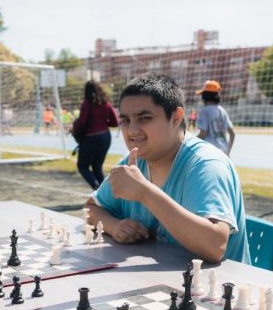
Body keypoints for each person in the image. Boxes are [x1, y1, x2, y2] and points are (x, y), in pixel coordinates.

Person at [85, 74, 250, 264]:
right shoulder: (134, 162)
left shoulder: (206, 165)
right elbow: (90, 208)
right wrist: (115, 226)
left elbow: (215, 246)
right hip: (156, 284)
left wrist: (145, 193)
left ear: (176, 117)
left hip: (214, 289)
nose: (132, 130)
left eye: (144, 118)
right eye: (125, 120)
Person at [71, 81, 119, 189]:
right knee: (97, 167)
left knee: (82, 166)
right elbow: (115, 123)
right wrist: (102, 123)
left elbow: (82, 122)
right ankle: (105, 193)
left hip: (91, 138)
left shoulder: (87, 103)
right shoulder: (106, 103)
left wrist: (74, 127)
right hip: (106, 137)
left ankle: (96, 187)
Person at [195, 80, 236, 155]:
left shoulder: (205, 111)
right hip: (223, 152)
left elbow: (203, 133)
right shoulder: (222, 111)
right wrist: (228, 151)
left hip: (210, 152)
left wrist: (191, 142)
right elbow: (232, 133)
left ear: (205, 96)